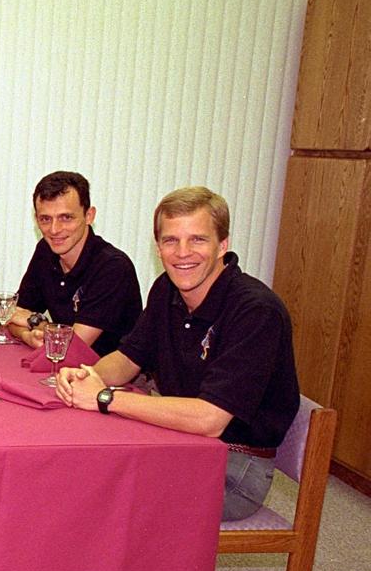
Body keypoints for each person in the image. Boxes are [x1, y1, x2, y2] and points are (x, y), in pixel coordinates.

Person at [55, 187, 300, 520]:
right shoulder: (166, 288)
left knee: (99, 494)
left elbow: (210, 420)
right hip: (174, 440)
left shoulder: (256, 311)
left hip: (235, 467)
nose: (183, 253)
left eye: (197, 239)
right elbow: (127, 359)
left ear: (222, 245)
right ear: (159, 248)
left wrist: (103, 398)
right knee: (74, 467)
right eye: (171, 241)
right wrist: (88, 374)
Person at [7, 171, 142, 356]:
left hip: (111, 378)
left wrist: (34, 321)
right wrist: (27, 336)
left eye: (66, 218)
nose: (54, 230)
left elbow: (72, 346)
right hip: (63, 368)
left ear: (89, 215)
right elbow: (13, 316)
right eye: (45, 219)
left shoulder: (113, 267)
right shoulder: (46, 251)